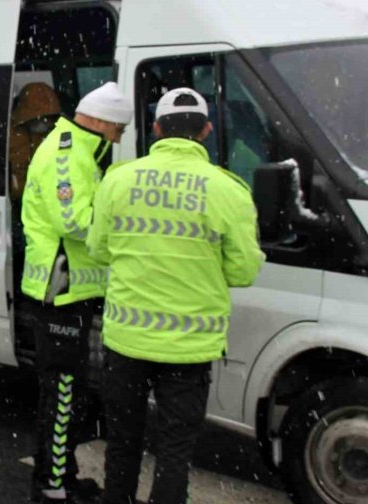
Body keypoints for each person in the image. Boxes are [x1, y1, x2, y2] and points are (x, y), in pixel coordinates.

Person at [87, 88, 265, 504]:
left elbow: (98, 249)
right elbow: (243, 270)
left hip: (126, 342)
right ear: (205, 131)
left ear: (155, 129)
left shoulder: (119, 180)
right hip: (189, 349)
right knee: (174, 452)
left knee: (123, 443)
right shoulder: (228, 190)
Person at [21, 82, 133, 504]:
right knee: (63, 390)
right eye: (118, 130)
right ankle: (51, 485)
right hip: (60, 289)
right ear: (102, 122)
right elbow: (76, 221)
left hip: (71, 290)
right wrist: (127, 228)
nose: (119, 139)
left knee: (68, 390)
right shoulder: (68, 152)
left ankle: (60, 475)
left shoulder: (81, 149)